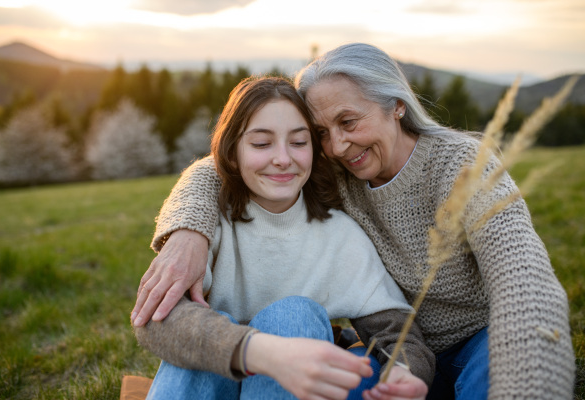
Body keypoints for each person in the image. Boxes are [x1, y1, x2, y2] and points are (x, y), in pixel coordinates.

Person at [131, 44, 575, 399]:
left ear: (396, 105)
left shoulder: (463, 166)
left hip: (479, 340)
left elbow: (525, 281)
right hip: (388, 357)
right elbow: (226, 164)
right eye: (322, 133)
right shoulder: (331, 171)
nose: (338, 146)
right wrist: (188, 231)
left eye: (348, 121)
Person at [133, 76, 434, 400]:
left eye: (298, 142)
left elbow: (397, 332)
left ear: (316, 151)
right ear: (232, 153)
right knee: (202, 334)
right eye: (262, 144)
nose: (282, 158)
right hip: (212, 382)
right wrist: (260, 352)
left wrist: (404, 373)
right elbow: (155, 321)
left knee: (294, 315)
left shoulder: (338, 235)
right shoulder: (204, 226)